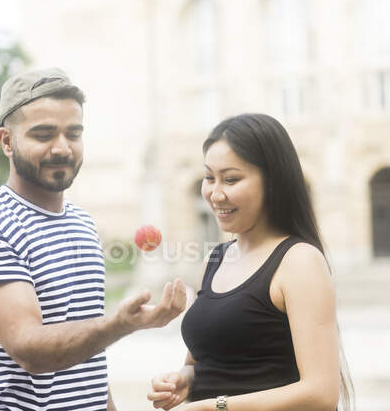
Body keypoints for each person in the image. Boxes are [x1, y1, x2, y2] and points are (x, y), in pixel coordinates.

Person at [0, 67, 186, 411]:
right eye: (43, 134)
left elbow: (85, 355)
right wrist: (119, 324)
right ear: (6, 141)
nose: (62, 148)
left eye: (73, 134)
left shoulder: (82, 224)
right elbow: (29, 349)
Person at [147, 114, 353, 411]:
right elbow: (212, 363)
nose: (216, 194)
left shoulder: (299, 262)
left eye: (231, 179)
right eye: (209, 178)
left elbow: (321, 394)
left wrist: (211, 407)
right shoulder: (214, 260)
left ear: (273, 182)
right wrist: (184, 379)